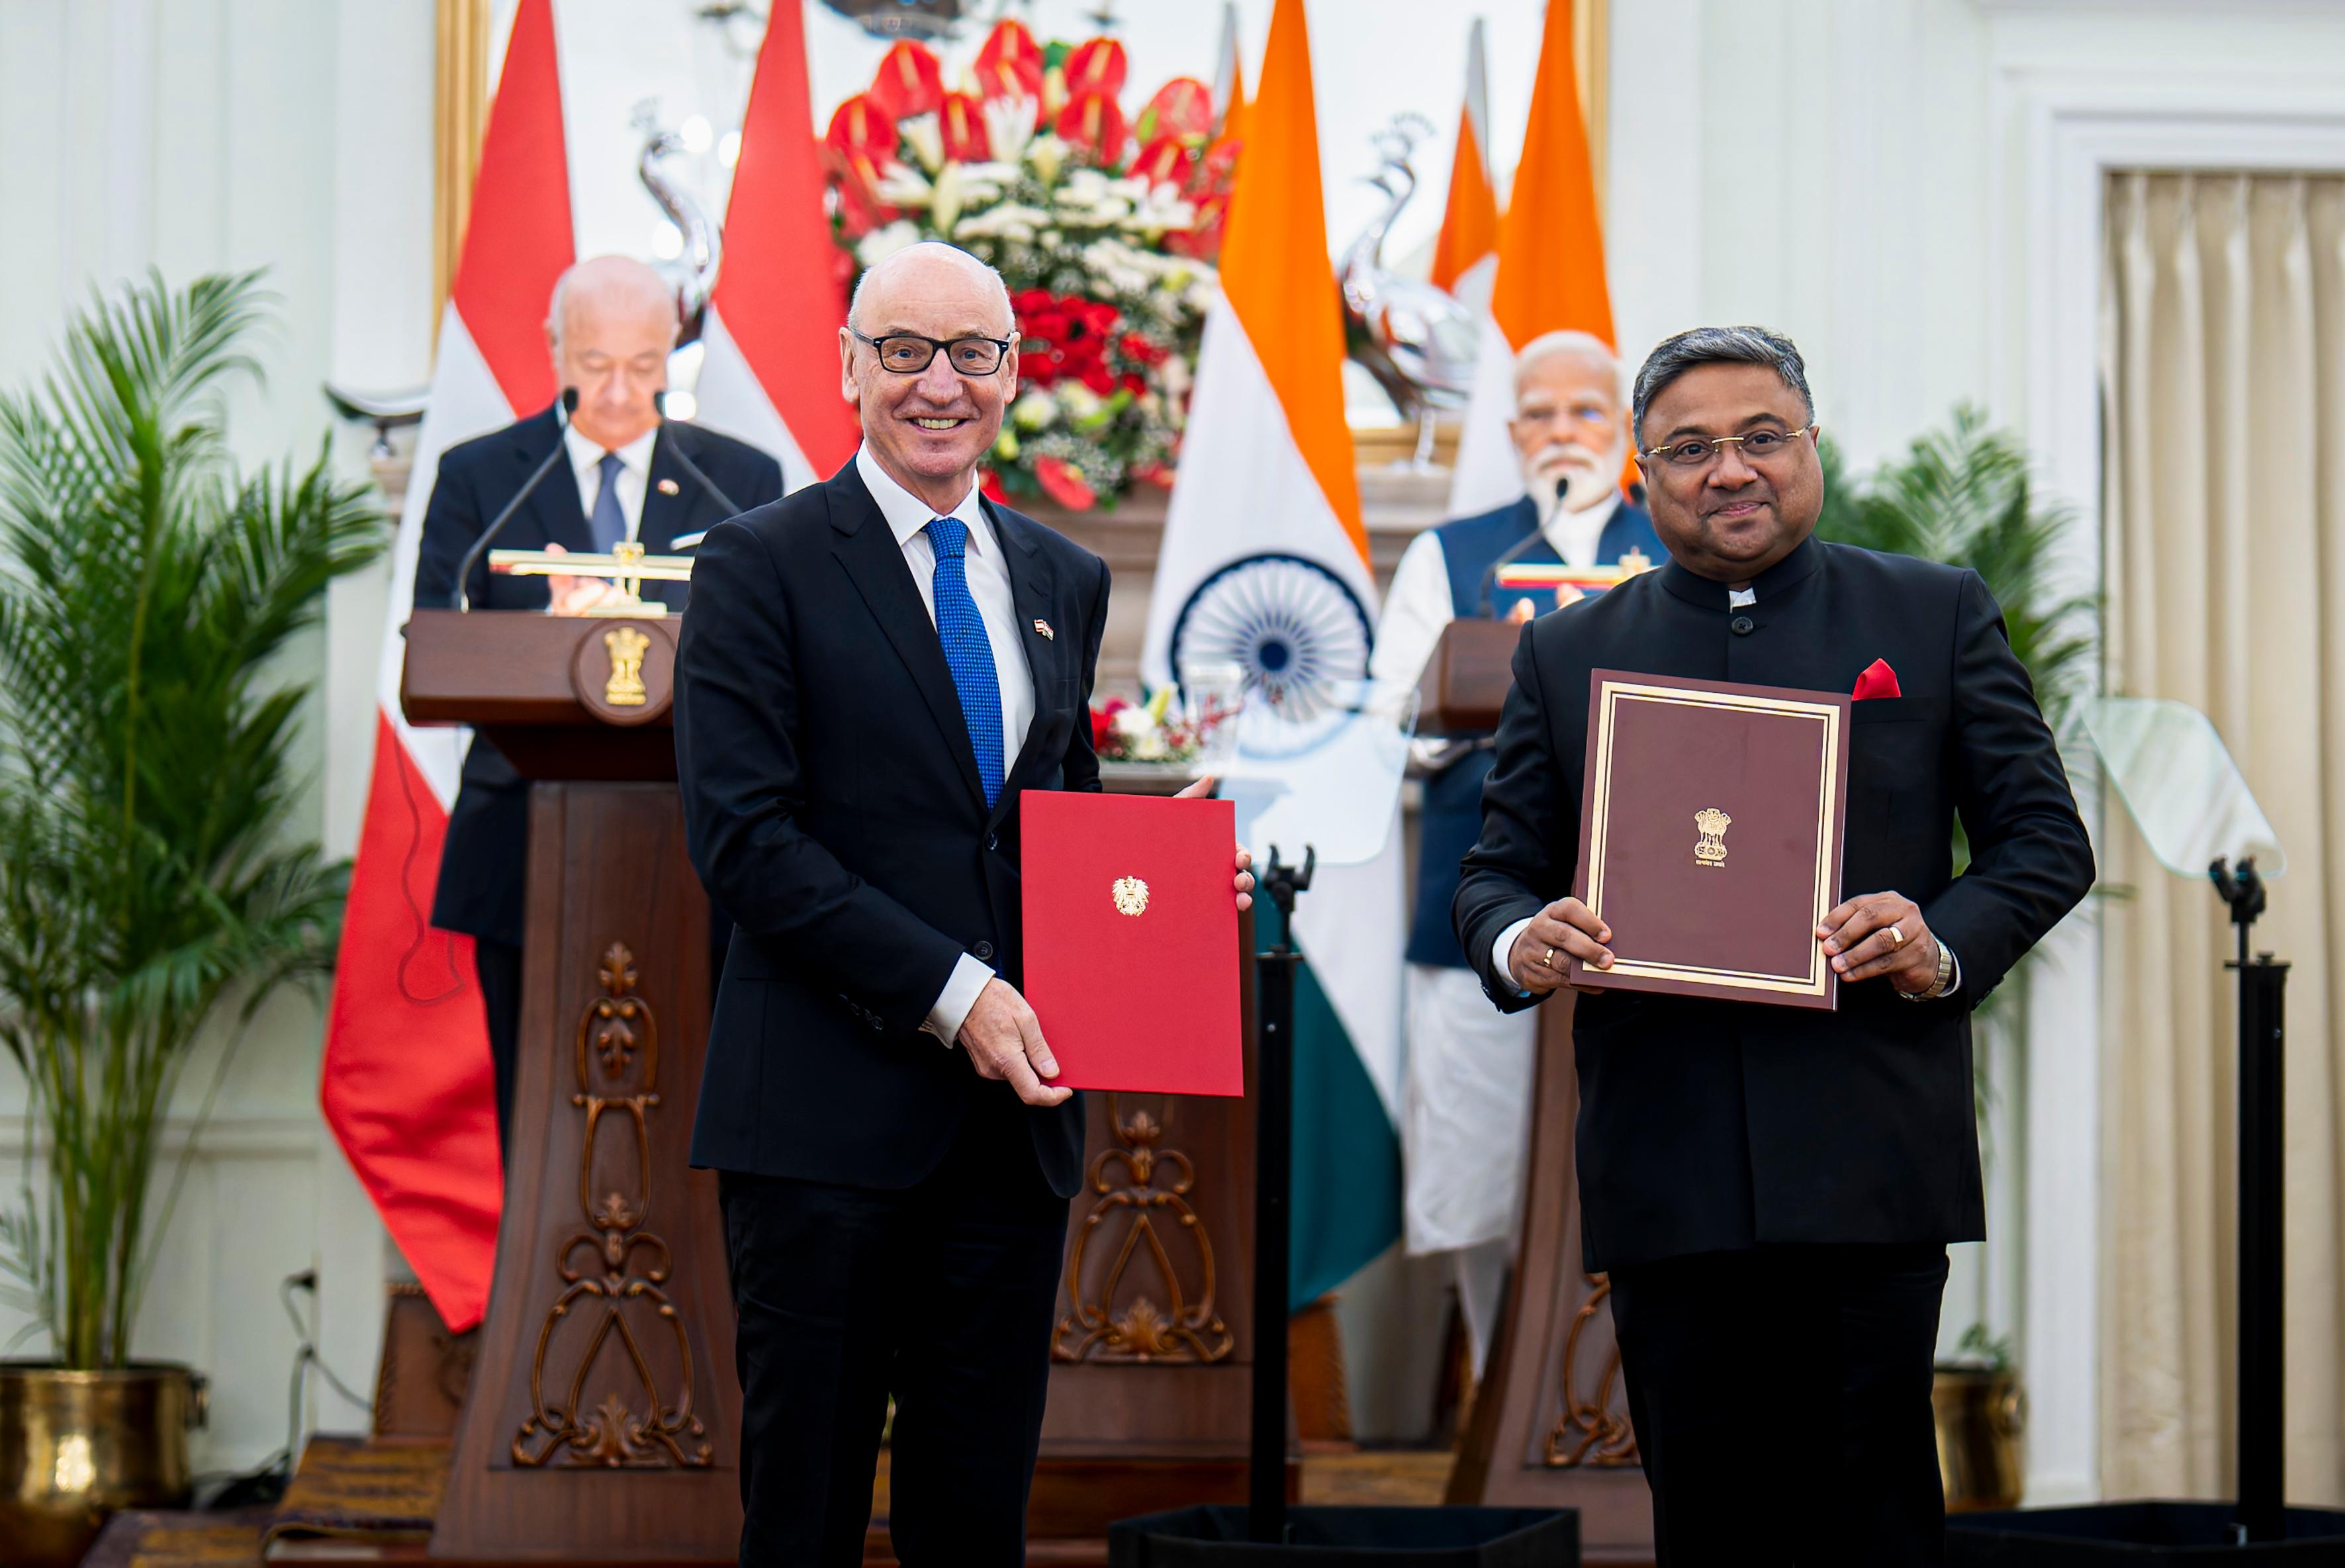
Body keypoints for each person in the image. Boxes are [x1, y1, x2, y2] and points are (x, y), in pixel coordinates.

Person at [1453, 326, 2093, 1563]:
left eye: (1761, 438)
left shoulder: (1934, 610)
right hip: (1669, 1160)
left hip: (1868, 1154)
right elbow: (1494, 874)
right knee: (1710, 1524)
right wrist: (1526, 937)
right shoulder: (1570, 649)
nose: (1729, 470)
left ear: (1813, 448)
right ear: (1644, 476)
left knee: (1876, 1520)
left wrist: (1937, 936)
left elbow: (2043, 843)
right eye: (1690, 449)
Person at [672, 241, 1253, 1568]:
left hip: (1009, 1136)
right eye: (905, 352)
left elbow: (1043, 824)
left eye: (974, 354)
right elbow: (745, 843)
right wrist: (958, 995)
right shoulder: (757, 565)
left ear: (1012, 375)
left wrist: (1152, 882)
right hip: (821, 1124)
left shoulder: (1059, 576)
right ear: (849, 370)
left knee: (974, 1522)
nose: (940, 384)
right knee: (805, 1518)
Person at [413, 255, 784, 1142]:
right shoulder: (484, 478)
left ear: (672, 358)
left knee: (694, 1114)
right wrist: (550, 630)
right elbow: (436, 635)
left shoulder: (742, 483)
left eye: (645, 367)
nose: (619, 392)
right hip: (522, 839)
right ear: (553, 351)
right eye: (594, 364)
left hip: (701, 845)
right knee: (536, 1116)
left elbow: (776, 659)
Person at [1369, 330, 1663, 1372]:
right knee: (1481, 1158)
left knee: (1648, 1157)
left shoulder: (1673, 551)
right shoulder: (1453, 556)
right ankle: (1507, 1383)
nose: (1560, 432)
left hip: (1653, 904)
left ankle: (1620, 1407)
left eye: (1584, 411)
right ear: (1510, 432)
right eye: (1538, 413)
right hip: (1481, 898)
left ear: (1624, 434)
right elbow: (1394, 720)